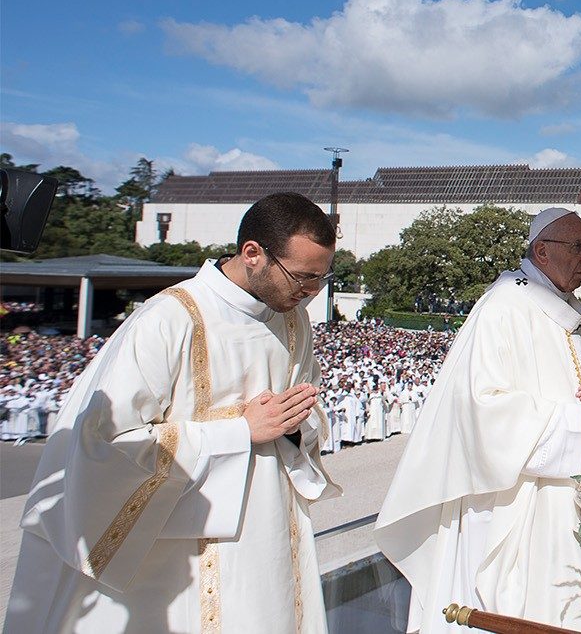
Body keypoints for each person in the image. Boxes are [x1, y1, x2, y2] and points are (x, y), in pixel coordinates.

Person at [5, 192, 341, 633]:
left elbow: (304, 414)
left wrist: (296, 428)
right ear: (253, 254)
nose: (311, 292)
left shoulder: (293, 321)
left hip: (271, 531)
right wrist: (239, 431)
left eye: (321, 278)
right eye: (302, 277)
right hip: (181, 546)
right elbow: (107, 442)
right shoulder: (169, 319)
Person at [376, 208, 581, 633]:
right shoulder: (504, 306)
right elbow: (480, 407)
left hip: (569, 495)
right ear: (542, 250)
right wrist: (576, 422)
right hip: (518, 500)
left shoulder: (574, 311)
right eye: (578, 248)